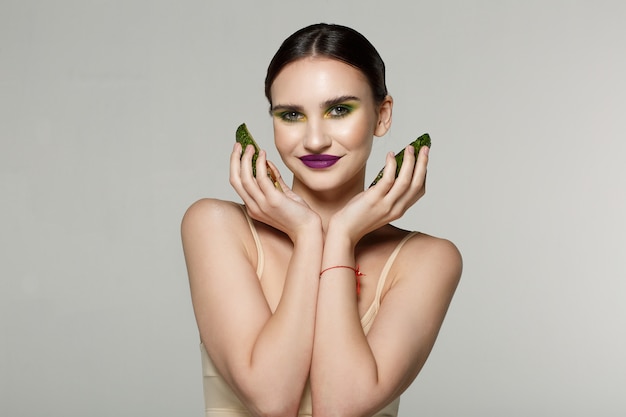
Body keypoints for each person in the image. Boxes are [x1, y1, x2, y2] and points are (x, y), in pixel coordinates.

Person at [181, 23, 462, 417]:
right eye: (292, 115)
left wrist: (342, 236)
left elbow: (339, 406)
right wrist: (308, 232)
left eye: (339, 110)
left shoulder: (428, 259)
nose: (314, 140)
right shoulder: (215, 225)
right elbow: (272, 399)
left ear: (383, 116)